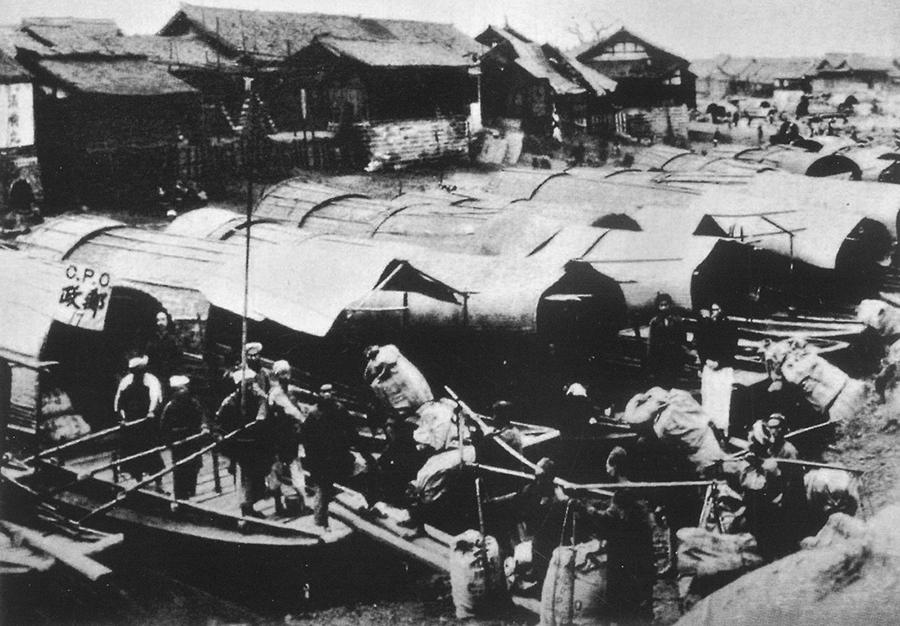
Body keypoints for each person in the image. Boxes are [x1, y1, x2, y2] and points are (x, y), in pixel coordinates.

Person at [577, 489, 655, 623]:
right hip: (639, 572)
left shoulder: (622, 523)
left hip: (626, 573)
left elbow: (603, 523)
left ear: (621, 509)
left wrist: (587, 509)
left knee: (625, 609)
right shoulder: (639, 519)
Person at [302, 384, 373, 530]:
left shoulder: (340, 410)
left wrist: (365, 454)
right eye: (324, 392)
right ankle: (320, 522)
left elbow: (352, 433)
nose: (327, 394)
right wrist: (312, 461)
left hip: (340, 456)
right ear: (319, 394)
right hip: (322, 459)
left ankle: (370, 507)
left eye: (329, 392)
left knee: (362, 475)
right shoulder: (314, 414)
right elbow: (307, 439)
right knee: (323, 490)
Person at [213, 367, 270, 518]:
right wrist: (221, 437)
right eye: (248, 385)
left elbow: (264, 408)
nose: (251, 387)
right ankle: (246, 508)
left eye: (252, 384)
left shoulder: (257, 398)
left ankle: (252, 503)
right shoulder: (230, 402)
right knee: (244, 478)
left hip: (255, 444)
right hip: (239, 446)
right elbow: (218, 424)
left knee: (257, 476)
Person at [113, 355, 165, 481]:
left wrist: (151, 412)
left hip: (147, 421)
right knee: (133, 450)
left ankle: (157, 479)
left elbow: (156, 397)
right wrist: (122, 418)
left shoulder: (151, 380)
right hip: (132, 420)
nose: (138, 375)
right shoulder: (126, 382)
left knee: (150, 449)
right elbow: (118, 402)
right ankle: (138, 478)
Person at [160, 375, 208, 499]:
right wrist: (169, 440)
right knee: (180, 469)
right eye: (179, 390)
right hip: (179, 442)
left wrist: (203, 427)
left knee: (194, 466)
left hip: (193, 440)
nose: (183, 392)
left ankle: (190, 491)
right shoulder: (170, 407)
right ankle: (180, 497)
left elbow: (202, 417)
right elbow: (164, 427)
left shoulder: (193, 403)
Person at [267, 360, 306, 514]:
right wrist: (303, 420)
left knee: (295, 467)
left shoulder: (290, 392)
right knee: (276, 469)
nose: (286, 377)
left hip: (290, 436)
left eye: (287, 373)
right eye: (282, 374)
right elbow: (292, 411)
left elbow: (296, 410)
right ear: (277, 376)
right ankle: (278, 503)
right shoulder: (275, 394)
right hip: (278, 436)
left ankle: (303, 502)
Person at [695, 303, 738, 435]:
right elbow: (700, 345)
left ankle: (723, 430)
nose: (714, 312)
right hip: (709, 367)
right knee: (708, 398)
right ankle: (708, 428)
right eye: (712, 310)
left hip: (723, 369)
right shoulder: (705, 326)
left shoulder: (730, 326)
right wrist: (705, 360)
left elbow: (732, 348)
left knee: (723, 399)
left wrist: (719, 362)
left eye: (717, 310)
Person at [647, 293, 687, 388]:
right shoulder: (654, 322)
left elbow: (682, 339)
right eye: (661, 305)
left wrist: (681, 355)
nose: (664, 308)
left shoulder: (677, 321)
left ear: (670, 305)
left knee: (673, 382)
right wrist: (651, 361)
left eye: (666, 305)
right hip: (660, 357)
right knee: (660, 383)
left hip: (673, 357)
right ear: (658, 306)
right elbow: (651, 342)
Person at [144, 310, 182, 393]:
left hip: (168, 374)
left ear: (167, 321)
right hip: (154, 373)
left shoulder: (173, 340)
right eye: (158, 320)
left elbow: (178, 358)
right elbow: (147, 355)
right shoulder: (152, 339)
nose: (160, 323)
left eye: (163, 319)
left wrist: (175, 373)